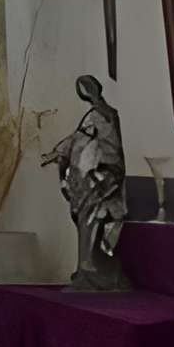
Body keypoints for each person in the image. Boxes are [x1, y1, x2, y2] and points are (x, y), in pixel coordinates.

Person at [44, 73, 129, 291]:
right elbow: (78, 137)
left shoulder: (106, 114)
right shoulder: (93, 115)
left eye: (87, 88)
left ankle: (95, 272)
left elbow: (110, 147)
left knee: (94, 223)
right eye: (83, 90)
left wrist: (105, 173)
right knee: (85, 223)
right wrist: (61, 154)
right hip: (86, 181)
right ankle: (86, 270)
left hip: (100, 181)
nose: (86, 93)